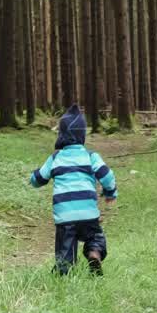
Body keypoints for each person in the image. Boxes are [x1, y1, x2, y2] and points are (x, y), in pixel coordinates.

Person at [29, 104, 117, 275]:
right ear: (82, 134)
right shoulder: (90, 156)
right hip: (88, 214)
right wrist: (110, 192)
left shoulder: (56, 157)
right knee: (95, 237)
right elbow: (107, 176)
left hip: (65, 216)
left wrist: (33, 178)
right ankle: (94, 252)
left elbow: (39, 178)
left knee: (65, 250)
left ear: (61, 134)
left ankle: (64, 272)